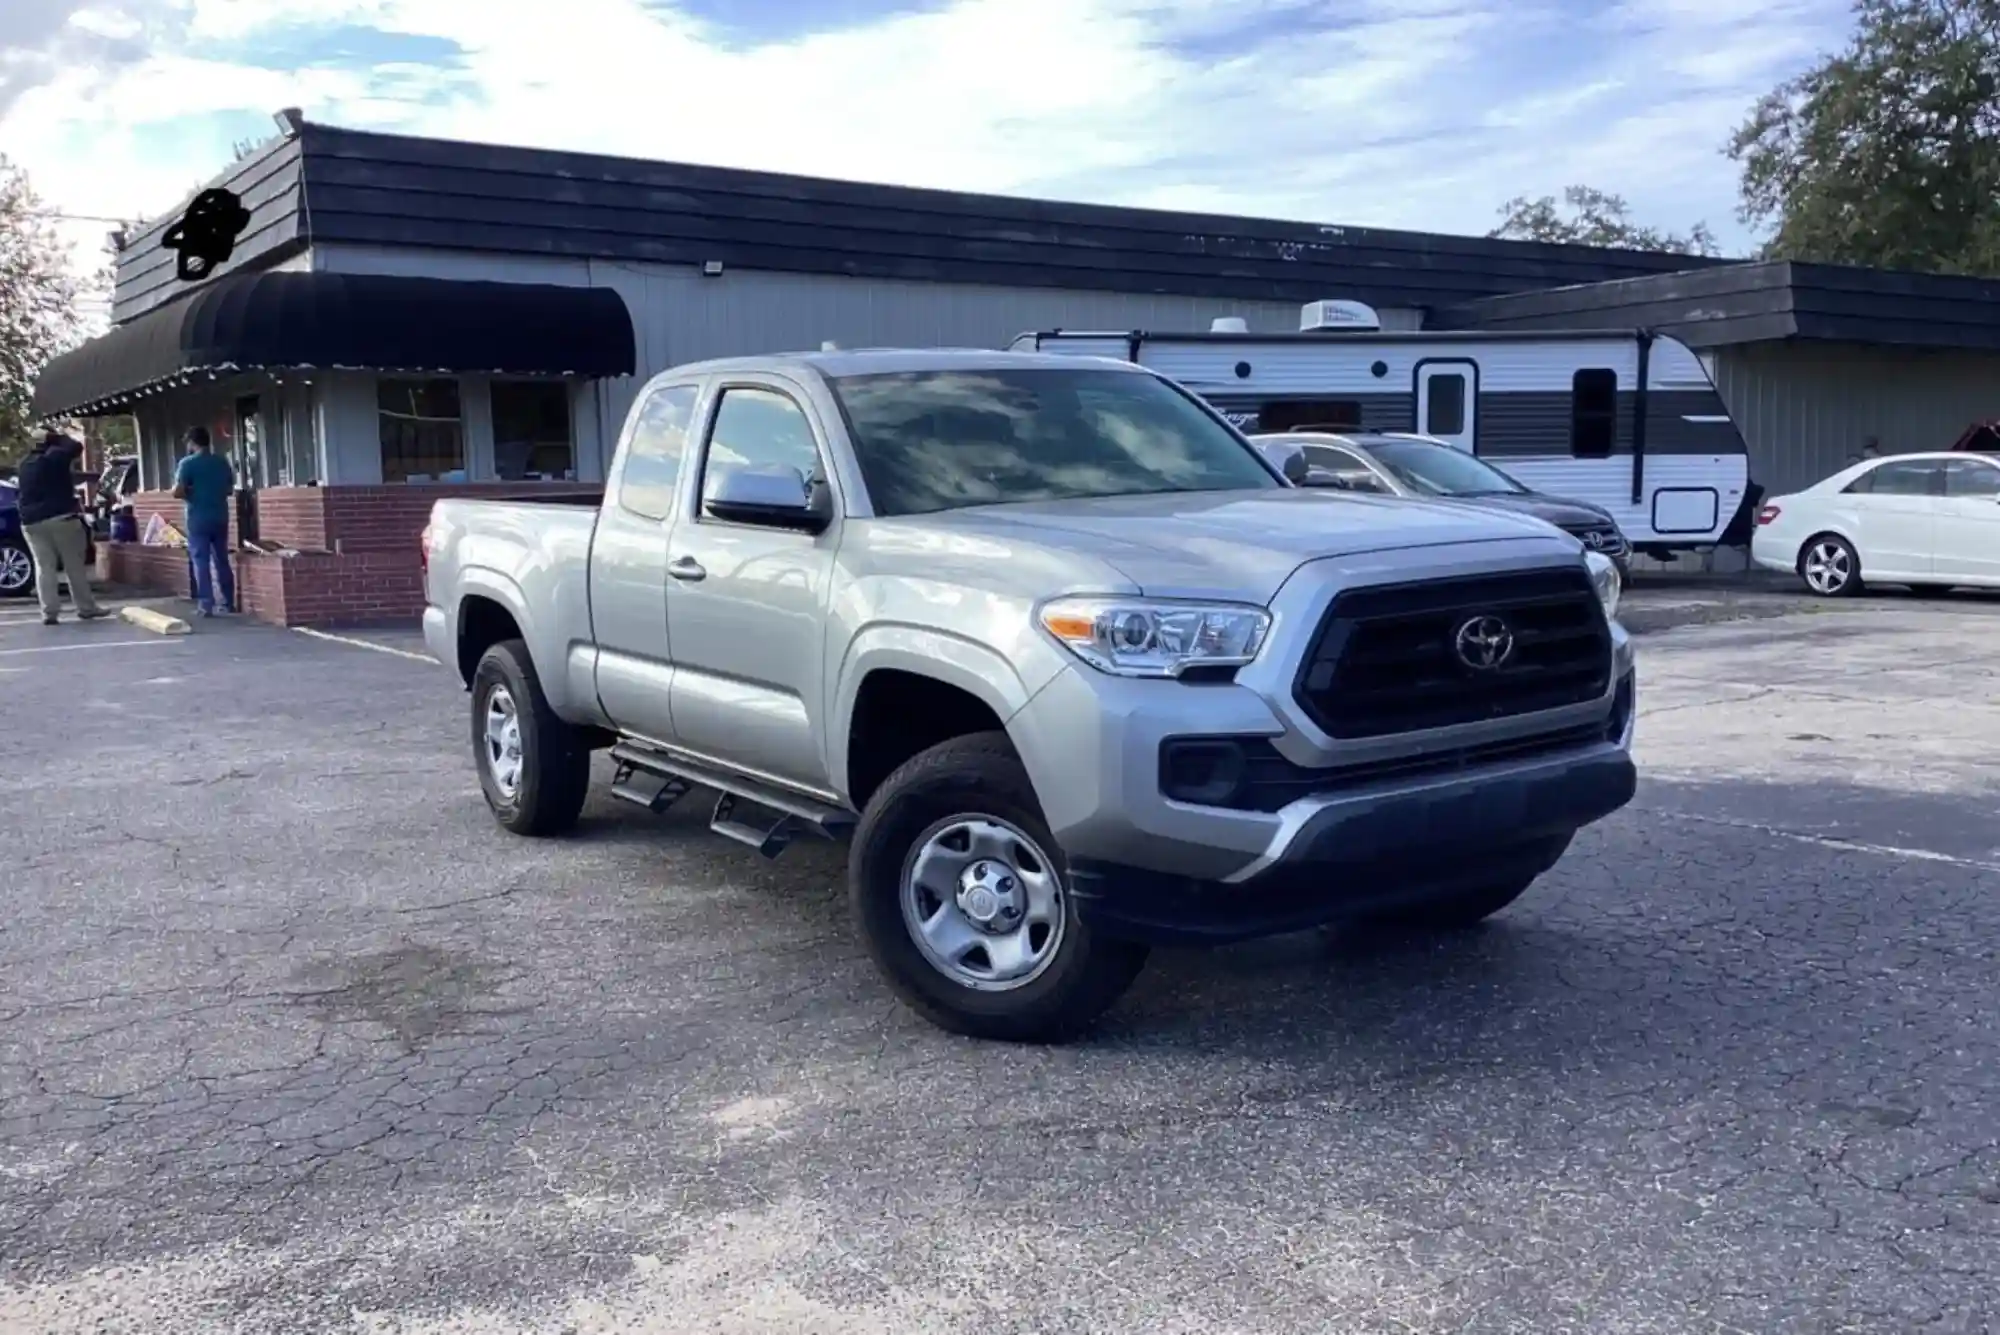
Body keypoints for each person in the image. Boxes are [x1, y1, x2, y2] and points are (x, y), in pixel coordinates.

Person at [14, 428, 109, 626]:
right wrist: (56, 436)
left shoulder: (24, 464)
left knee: (44, 567)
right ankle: (86, 608)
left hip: (31, 521)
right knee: (73, 566)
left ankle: (49, 612)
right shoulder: (56, 457)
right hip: (61, 518)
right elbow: (76, 446)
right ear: (50, 441)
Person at [173, 427, 236, 617]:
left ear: (192, 443)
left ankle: (206, 604)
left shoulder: (187, 464)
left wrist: (191, 492)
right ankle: (228, 601)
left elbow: (178, 491)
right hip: (220, 515)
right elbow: (229, 490)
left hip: (197, 517)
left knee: (201, 561)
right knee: (222, 559)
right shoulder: (221, 462)